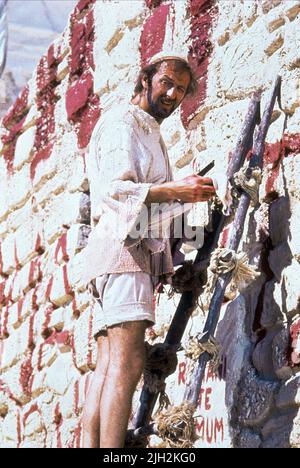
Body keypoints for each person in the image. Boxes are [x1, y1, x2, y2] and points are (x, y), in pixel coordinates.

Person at [82, 51, 216, 448]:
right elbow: (116, 192)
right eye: (166, 83)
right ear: (145, 79)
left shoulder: (148, 130)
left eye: (181, 88)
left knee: (108, 367)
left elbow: (151, 210)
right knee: (129, 362)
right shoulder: (124, 123)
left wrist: (175, 257)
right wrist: (181, 189)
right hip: (124, 252)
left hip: (115, 253)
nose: (173, 94)